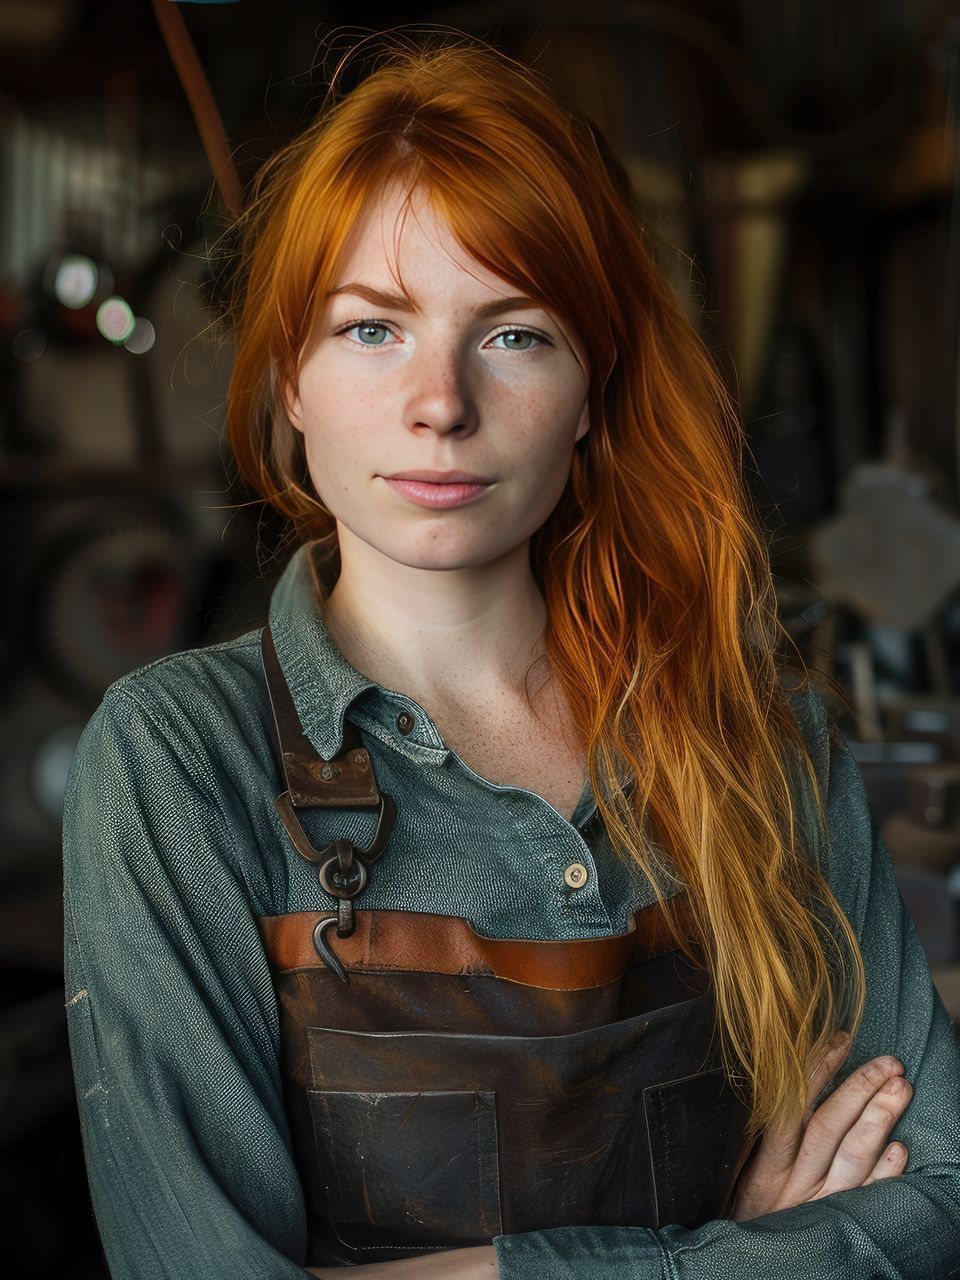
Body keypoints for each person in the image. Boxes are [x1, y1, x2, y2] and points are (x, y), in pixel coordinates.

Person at [62, 32, 960, 1280]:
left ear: (591, 387)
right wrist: (733, 1257)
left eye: (515, 333)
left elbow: (939, 1193)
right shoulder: (176, 757)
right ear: (289, 380)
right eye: (372, 331)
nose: (441, 401)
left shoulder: (757, 729)